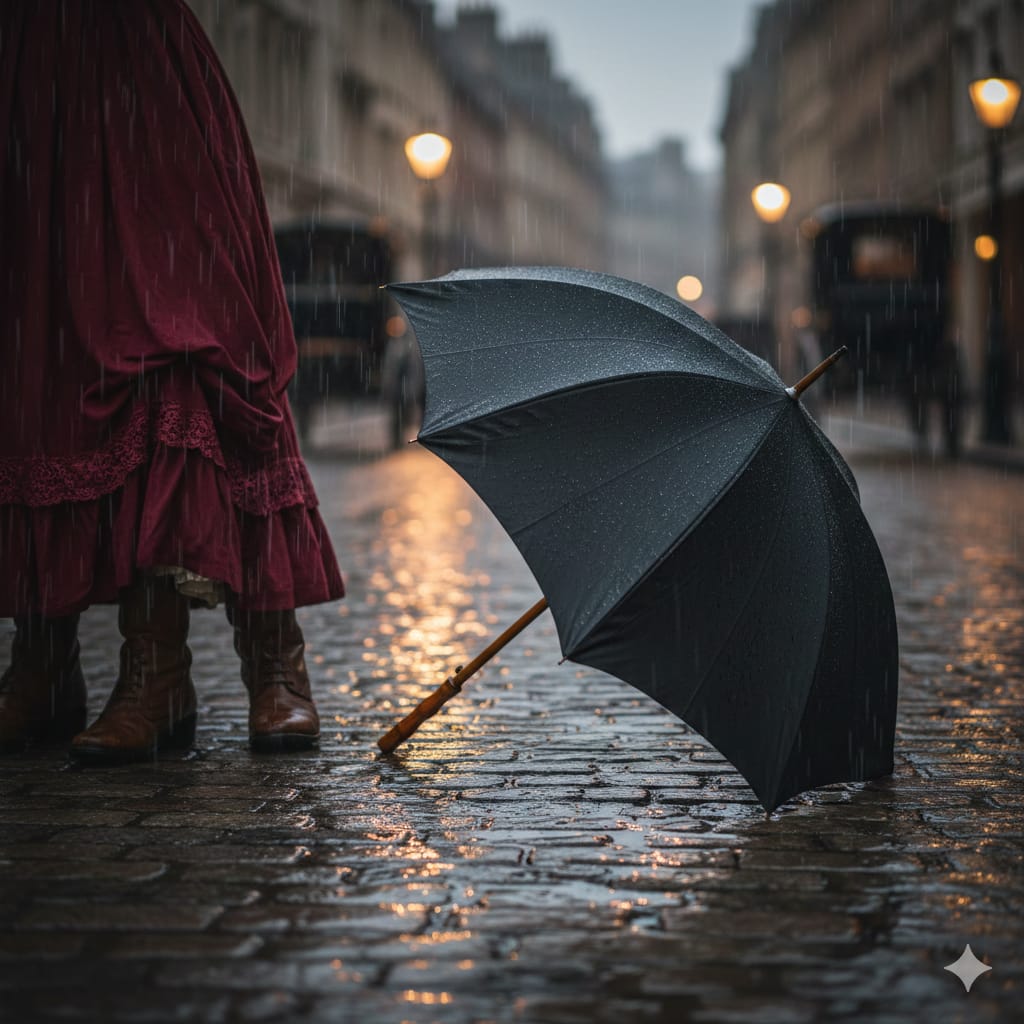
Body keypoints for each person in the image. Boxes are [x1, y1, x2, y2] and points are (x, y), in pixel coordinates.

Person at [0, 1, 345, 760]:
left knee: (188, 337)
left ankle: (240, 667)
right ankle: (44, 663)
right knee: (43, 367)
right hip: (28, 69)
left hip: (135, 65)